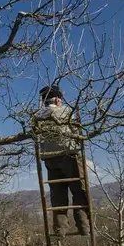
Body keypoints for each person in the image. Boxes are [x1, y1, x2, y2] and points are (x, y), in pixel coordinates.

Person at [34, 86, 90, 238]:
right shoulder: (66, 112)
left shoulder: (37, 116)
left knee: (57, 196)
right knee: (79, 192)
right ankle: (84, 226)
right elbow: (77, 132)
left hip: (50, 159)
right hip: (69, 155)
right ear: (58, 99)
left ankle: (60, 229)